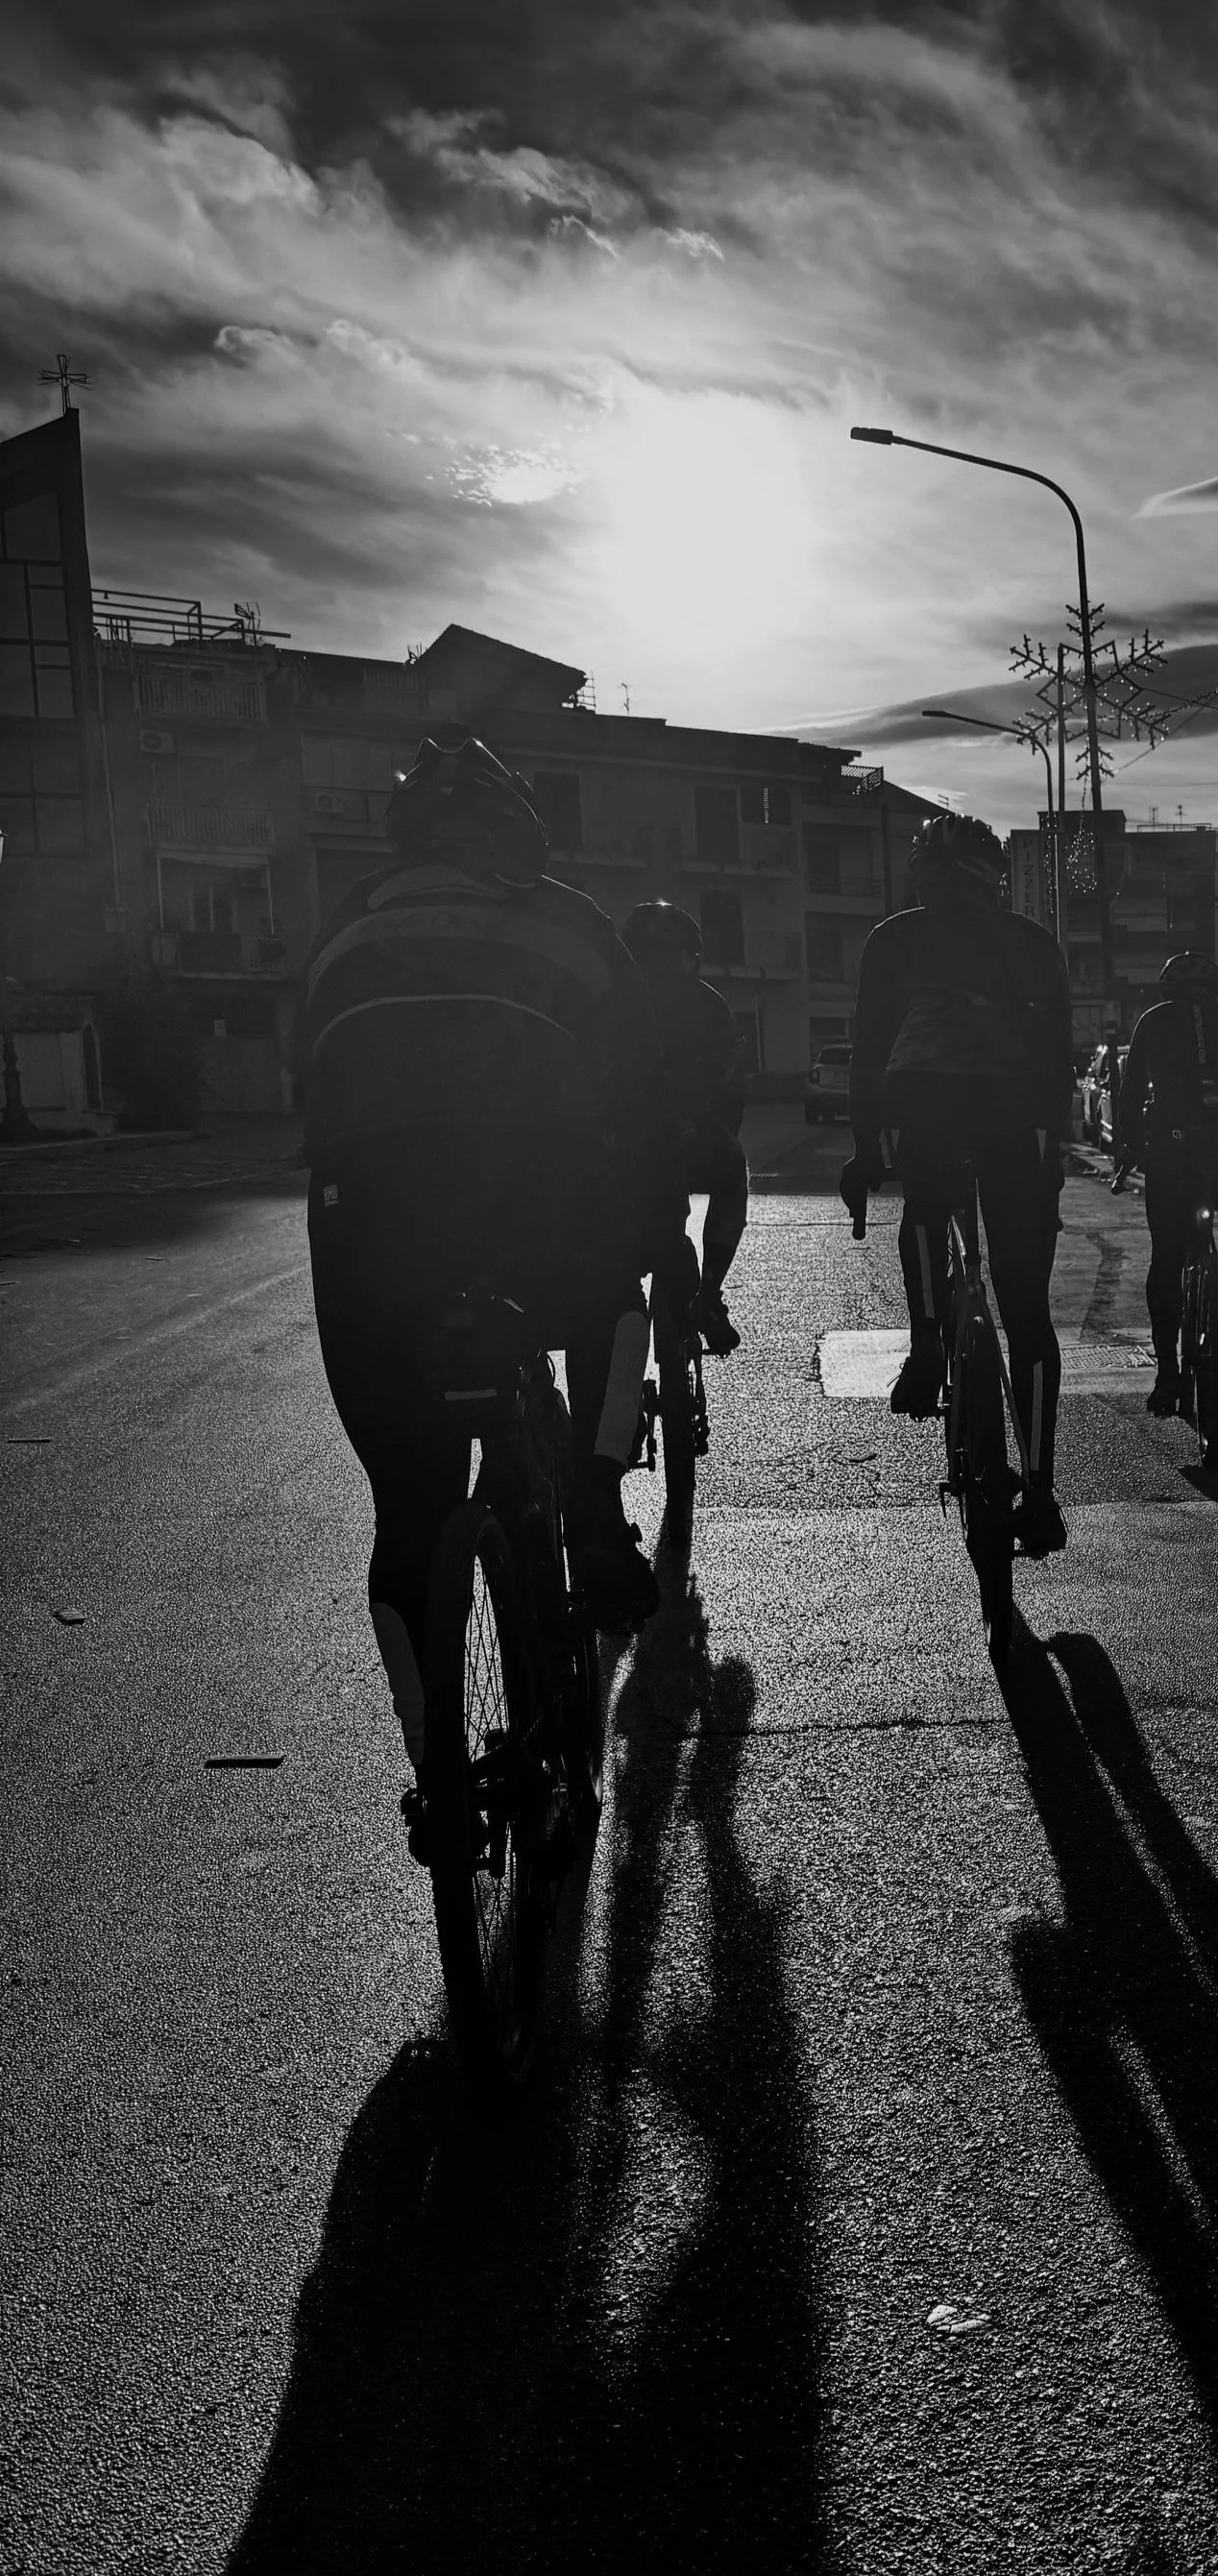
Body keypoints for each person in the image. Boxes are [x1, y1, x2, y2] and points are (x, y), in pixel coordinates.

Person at [303, 736, 666, 1856]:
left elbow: (305, 1090)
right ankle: (598, 1515)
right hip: (534, 1197)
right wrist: (658, 1229)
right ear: (518, 836)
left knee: (409, 1506)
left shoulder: (344, 928)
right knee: (617, 1298)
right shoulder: (568, 920)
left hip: (369, 1219)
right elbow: (640, 1088)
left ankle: (437, 1777)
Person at [841, 812, 1072, 1556]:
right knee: (1027, 1314)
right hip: (1013, 1117)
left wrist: (862, 1150)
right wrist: (1052, 1155)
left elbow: (869, 1056)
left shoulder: (896, 938)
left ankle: (929, 1341)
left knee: (926, 1205)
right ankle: (1040, 1487)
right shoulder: (1034, 943)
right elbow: (1056, 1058)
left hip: (925, 1100)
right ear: (995, 876)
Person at [1114, 950, 1218, 1417]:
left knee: (1166, 1259)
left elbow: (1129, 1095)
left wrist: (1131, 1143)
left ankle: (1167, 1374)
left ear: (1167, 989)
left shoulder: (1153, 1021)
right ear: (1216, 989)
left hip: (1171, 1151)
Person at [620, 899, 749, 1354]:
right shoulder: (705, 1002)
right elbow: (731, 1088)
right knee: (733, 1174)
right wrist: (718, 1131)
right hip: (691, 1136)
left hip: (616, 1146)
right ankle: (709, 1293)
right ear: (686, 953)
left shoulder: (610, 998)